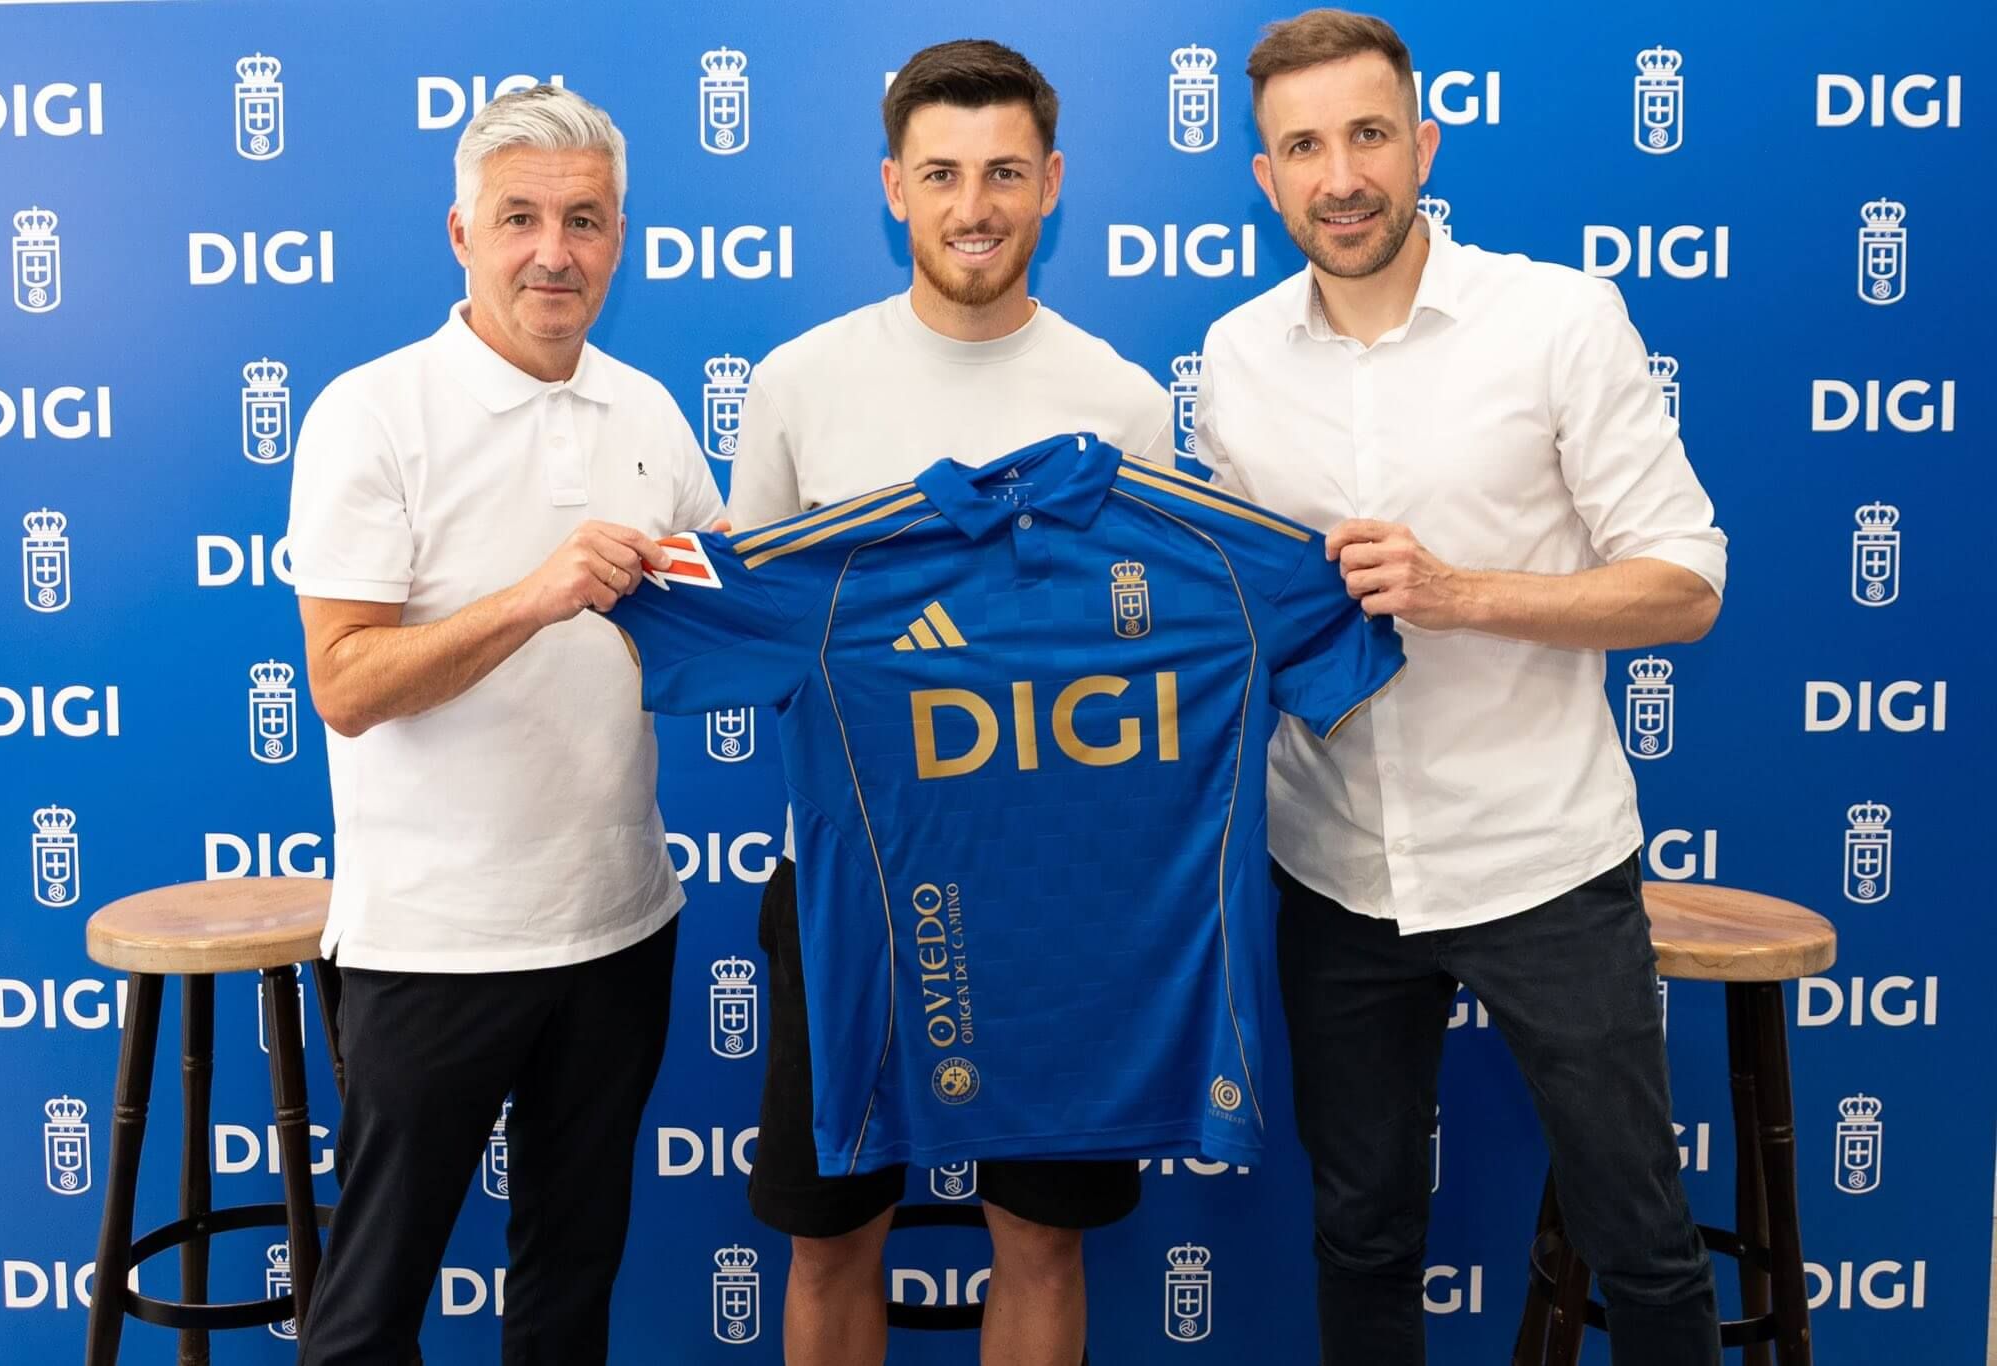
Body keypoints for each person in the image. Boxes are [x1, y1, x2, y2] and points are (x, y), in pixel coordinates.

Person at [1193, 11, 1728, 1365]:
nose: (1341, 175)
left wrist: (1462, 592)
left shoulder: (1557, 318)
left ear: (1423, 143)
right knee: (1362, 1230)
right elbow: (1244, 610)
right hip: (1332, 868)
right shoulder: (1237, 357)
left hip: (1543, 861)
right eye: (1303, 146)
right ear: (1265, 178)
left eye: (1369, 134)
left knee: (1643, 1241)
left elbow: (1686, 583)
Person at [724, 39, 1174, 1366]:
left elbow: (1156, 654)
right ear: (893, 188)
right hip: (845, 883)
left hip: (1055, 899)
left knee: (1039, 1234)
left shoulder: (1123, 405)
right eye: (940, 173)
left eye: (999, 172)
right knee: (829, 1233)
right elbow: (753, 633)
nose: (970, 203)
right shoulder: (800, 384)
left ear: (1050, 183)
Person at [284, 84, 720, 1364]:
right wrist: (533, 597)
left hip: (619, 922)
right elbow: (347, 684)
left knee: (566, 1292)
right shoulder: (372, 413)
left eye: (583, 221)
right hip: (435, 940)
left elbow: (722, 610)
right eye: (519, 217)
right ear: (460, 235)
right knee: (367, 1312)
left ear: (620, 240)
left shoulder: (644, 406)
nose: (554, 250)